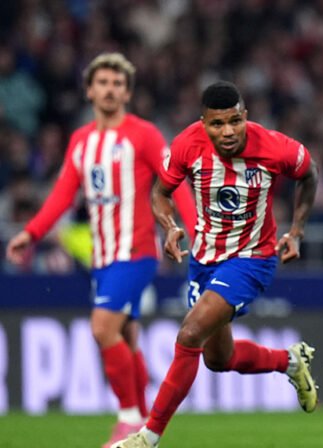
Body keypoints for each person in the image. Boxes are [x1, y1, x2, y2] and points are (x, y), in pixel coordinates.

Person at [112, 81, 320, 448]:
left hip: (252, 259)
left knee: (190, 333)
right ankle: (288, 361)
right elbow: (160, 193)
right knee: (218, 359)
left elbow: (309, 174)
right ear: (203, 123)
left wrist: (297, 231)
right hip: (204, 259)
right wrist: (171, 226)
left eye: (235, 122)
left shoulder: (275, 147)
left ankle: (147, 437)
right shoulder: (185, 145)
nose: (228, 132)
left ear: (246, 117)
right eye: (218, 124)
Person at [4, 53, 197, 447]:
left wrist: (198, 231)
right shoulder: (80, 141)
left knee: (100, 327)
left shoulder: (144, 136)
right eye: (103, 83)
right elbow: (62, 194)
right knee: (125, 337)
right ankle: (144, 423)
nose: (110, 89)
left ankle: (128, 420)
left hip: (137, 253)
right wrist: (33, 232)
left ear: (127, 92)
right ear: (90, 90)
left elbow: (175, 182)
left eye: (117, 84)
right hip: (102, 259)